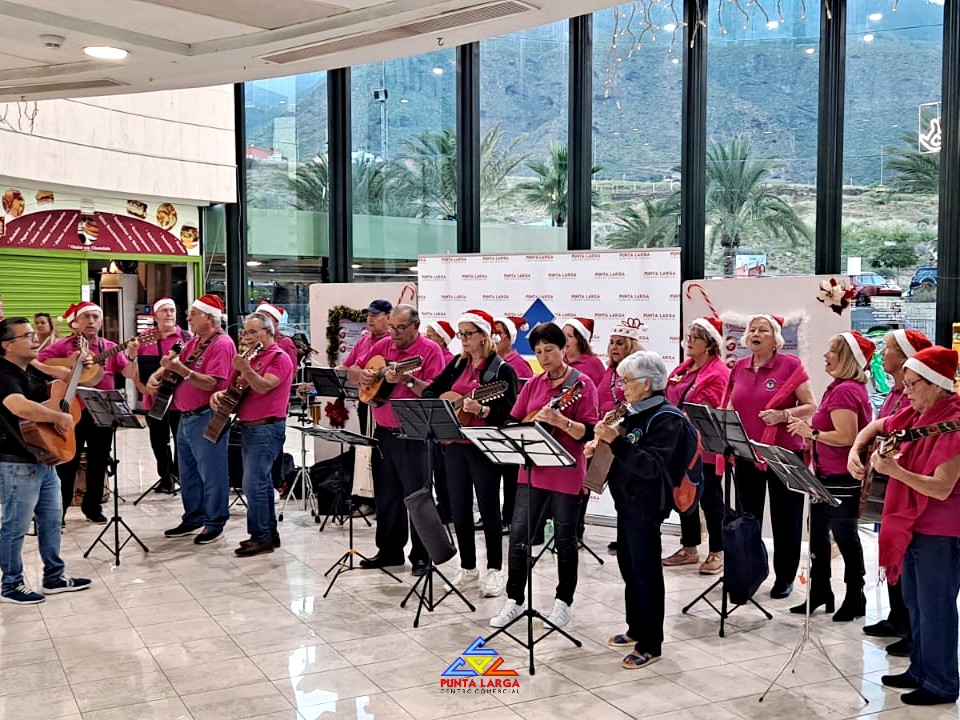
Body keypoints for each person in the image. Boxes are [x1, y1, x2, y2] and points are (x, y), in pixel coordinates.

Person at [848, 346, 960, 707]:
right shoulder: (917, 414)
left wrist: (894, 471)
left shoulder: (954, 425)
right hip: (914, 525)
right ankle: (920, 669)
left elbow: (942, 487)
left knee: (936, 607)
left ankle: (941, 682)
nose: (904, 391)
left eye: (912, 384)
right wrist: (858, 446)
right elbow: (879, 424)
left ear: (936, 386)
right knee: (915, 603)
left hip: (942, 530)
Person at [490, 322, 599, 630]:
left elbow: (588, 433)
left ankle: (563, 603)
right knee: (519, 538)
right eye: (538, 351)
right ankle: (515, 600)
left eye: (549, 350)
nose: (544, 356)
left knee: (564, 541)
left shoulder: (583, 384)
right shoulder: (534, 384)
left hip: (566, 472)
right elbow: (512, 422)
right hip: (531, 470)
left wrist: (561, 421)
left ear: (564, 349)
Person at [590, 350, 694, 670]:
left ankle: (651, 643)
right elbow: (621, 452)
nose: (622, 386)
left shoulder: (666, 419)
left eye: (628, 381)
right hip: (627, 501)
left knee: (646, 572)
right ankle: (636, 627)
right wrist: (600, 442)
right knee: (629, 567)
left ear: (648, 384)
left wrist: (616, 442)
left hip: (648, 504)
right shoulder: (633, 412)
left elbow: (650, 466)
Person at [423, 309, 518, 598]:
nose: (462, 339)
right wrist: (446, 413)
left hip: (483, 447)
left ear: (483, 336)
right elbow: (431, 394)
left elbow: (510, 413)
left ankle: (494, 570)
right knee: (459, 509)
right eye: (460, 333)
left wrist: (484, 410)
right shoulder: (455, 365)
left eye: (468, 333)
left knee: (489, 509)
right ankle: (468, 567)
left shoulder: (501, 371)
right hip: (454, 445)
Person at [724, 313, 816, 599]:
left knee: (785, 520)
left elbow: (811, 405)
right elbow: (729, 403)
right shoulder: (739, 366)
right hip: (747, 453)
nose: (756, 333)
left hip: (784, 454)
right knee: (747, 518)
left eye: (763, 330)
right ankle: (748, 573)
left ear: (776, 339)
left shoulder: (790, 365)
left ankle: (785, 578)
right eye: (752, 329)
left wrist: (783, 415)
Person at [0, 316, 91, 604]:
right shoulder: (3, 373)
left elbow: (60, 383)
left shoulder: (29, 369)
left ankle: (54, 575)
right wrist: (58, 417)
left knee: (52, 520)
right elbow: (18, 405)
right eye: (26, 335)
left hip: (43, 457)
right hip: (16, 462)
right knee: (15, 526)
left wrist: (79, 364)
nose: (34, 338)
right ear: (6, 345)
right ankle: (10, 584)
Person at [787, 331, 874, 621]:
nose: (825, 355)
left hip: (841, 477)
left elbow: (846, 436)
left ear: (847, 358)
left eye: (832, 350)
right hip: (825, 474)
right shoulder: (837, 388)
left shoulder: (846, 391)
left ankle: (854, 595)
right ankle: (821, 591)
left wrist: (810, 431)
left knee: (845, 536)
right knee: (818, 536)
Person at [356, 304, 445, 575]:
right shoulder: (383, 345)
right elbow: (360, 372)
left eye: (401, 328)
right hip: (384, 430)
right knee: (387, 495)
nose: (394, 333)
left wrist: (407, 380)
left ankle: (423, 555)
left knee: (417, 496)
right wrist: (366, 375)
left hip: (415, 433)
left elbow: (435, 392)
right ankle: (390, 550)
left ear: (416, 326)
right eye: (392, 327)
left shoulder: (430, 351)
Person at [861, 329, 930, 655]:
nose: (881, 354)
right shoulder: (894, 392)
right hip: (889, 482)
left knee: (904, 552)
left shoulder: (916, 400)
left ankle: (908, 624)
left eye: (887, 349)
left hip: (906, 485)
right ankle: (896, 615)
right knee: (890, 548)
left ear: (905, 358)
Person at [38, 300, 139, 523]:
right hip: (70, 412)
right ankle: (59, 511)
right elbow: (38, 362)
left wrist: (131, 355)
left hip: (101, 412)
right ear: (77, 322)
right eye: (87, 317)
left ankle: (92, 507)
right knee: (67, 463)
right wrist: (66, 365)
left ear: (101, 322)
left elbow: (130, 373)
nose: (91, 321)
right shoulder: (64, 346)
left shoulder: (108, 347)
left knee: (99, 461)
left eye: (96, 317)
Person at [152, 295, 236, 545]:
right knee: (187, 472)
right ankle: (194, 516)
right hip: (186, 416)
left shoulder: (222, 344)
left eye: (193, 314)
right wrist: (163, 370)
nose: (187, 318)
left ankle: (214, 522)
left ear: (208, 317)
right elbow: (177, 366)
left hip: (207, 416)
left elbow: (213, 382)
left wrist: (181, 371)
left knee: (212, 473)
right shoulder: (196, 341)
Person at [213, 312, 294, 557]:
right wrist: (220, 397)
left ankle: (261, 537)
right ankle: (268, 533)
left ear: (268, 332)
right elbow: (237, 390)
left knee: (253, 483)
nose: (247, 337)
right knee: (260, 483)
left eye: (252, 332)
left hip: (267, 427)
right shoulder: (253, 356)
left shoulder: (280, 358)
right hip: (249, 426)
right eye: (245, 332)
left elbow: (263, 385)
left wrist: (245, 369)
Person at [662, 317, 729, 575]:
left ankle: (717, 551)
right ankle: (689, 547)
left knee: (711, 500)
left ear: (710, 344)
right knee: (683, 496)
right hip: (679, 445)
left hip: (706, 449)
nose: (688, 342)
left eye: (695, 338)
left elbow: (713, 410)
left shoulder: (718, 372)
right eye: (688, 337)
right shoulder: (683, 368)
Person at [591, 319, 644, 552]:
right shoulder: (609, 372)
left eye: (620, 343)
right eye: (611, 342)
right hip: (606, 436)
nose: (613, 347)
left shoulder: (636, 373)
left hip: (627, 436)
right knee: (616, 490)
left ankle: (631, 537)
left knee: (629, 490)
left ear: (631, 346)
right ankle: (623, 536)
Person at [132, 297, 190, 494]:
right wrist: (143, 388)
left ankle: (181, 475)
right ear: (155, 315)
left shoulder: (187, 338)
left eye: (172, 310)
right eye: (164, 310)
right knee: (158, 441)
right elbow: (135, 371)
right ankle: (165, 477)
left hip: (181, 401)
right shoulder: (143, 340)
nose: (169, 314)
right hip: (154, 400)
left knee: (182, 440)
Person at [494, 315, 533, 534]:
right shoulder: (490, 363)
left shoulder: (520, 365)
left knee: (510, 476)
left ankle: (509, 517)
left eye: (500, 333)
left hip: (510, 427)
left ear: (510, 338)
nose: (495, 337)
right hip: (492, 426)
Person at [563, 317, 605, 388]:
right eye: (562, 335)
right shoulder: (557, 361)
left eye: (569, 336)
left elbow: (602, 391)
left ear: (581, 341)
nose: (564, 339)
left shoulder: (593, 363)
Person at [256, 302, 298, 367]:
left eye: (266, 317)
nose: (262, 320)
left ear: (276, 322)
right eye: (259, 317)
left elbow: (293, 370)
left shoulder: (285, 341)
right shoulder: (253, 340)